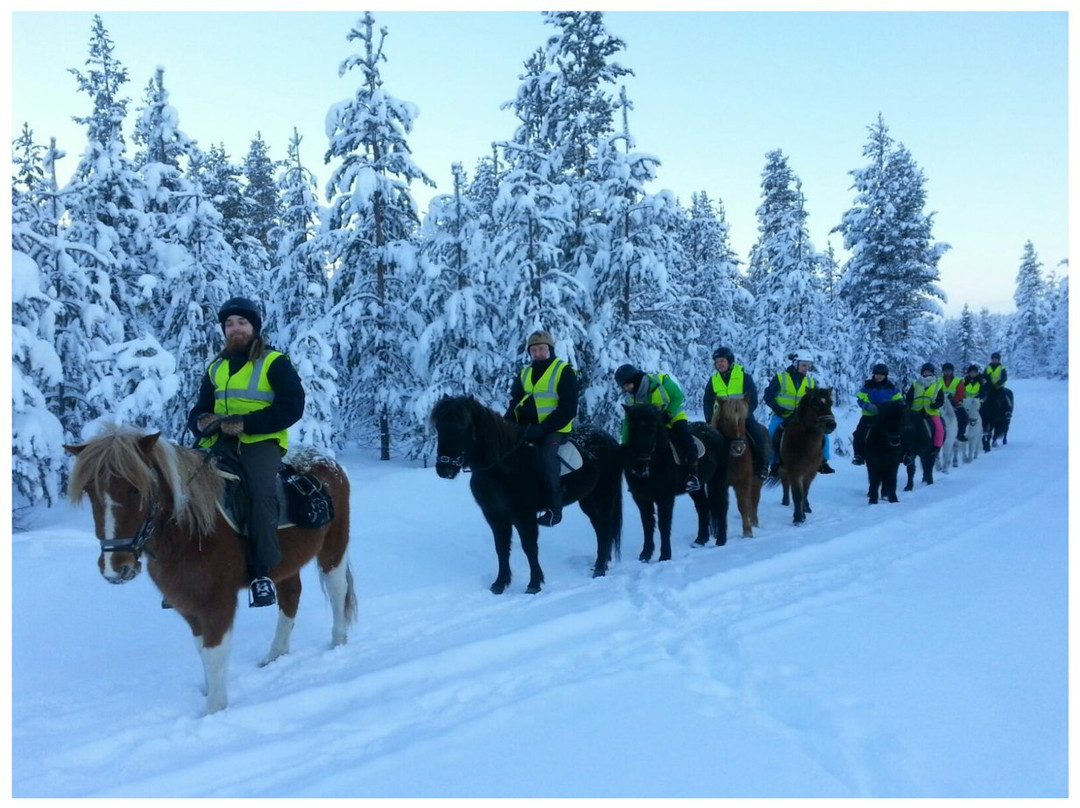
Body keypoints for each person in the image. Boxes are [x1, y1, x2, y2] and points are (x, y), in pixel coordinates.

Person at [187, 296, 305, 608]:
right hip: (216, 443)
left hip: (260, 442)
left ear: (254, 327)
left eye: (241, 323)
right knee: (182, 486)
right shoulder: (216, 368)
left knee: (259, 492)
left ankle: (261, 572)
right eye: (229, 324)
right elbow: (200, 408)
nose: (235, 329)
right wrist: (201, 421)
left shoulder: (274, 362)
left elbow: (292, 406)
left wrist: (247, 424)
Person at [505, 329, 578, 527]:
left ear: (550, 350)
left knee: (547, 456)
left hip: (555, 428)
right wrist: (506, 424)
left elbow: (569, 407)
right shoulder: (525, 373)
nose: (537, 353)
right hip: (526, 427)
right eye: (534, 350)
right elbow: (515, 401)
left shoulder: (563, 371)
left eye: (541, 349)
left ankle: (554, 509)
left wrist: (542, 428)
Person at [616, 364, 700, 492]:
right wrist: (625, 442)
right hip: (654, 425)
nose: (627, 389)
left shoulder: (661, 381)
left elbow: (678, 396)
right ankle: (642, 475)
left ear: (635, 379)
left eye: (628, 385)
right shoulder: (630, 397)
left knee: (684, 439)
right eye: (624, 387)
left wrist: (668, 414)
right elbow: (629, 420)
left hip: (674, 418)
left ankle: (692, 475)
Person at [763, 349, 835, 475]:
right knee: (772, 433)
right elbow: (768, 396)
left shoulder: (810, 381)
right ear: (795, 364)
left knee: (822, 432)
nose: (806, 368)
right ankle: (774, 464)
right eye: (803, 365)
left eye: (808, 365)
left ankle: (823, 461)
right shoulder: (781, 378)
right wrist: (778, 409)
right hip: (782, 415)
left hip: (802, 417)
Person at [702, 346, 769, 480]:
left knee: (758, 433)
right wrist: (710, 418)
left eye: (722, 361)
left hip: (741, 416)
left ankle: (762, 466)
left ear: (730, 361)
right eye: (717, 362)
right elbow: (707, 401)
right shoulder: (713, 379)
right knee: (707, 437)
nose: (719, 364)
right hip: (722, 417)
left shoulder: (743, 377)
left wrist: (746, 414)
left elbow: (753, 398)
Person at [850, 363, 903, 465]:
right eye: (877, 374)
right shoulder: (868, 386)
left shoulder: (890, 386)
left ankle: (902, 455)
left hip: (886, 418)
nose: (879, 376)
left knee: (899, 432)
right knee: (859, 433)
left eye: (881, 374)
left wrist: (889, 408)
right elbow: (860, 399)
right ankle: (859, 455)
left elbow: (899, 401)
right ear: (873, 374)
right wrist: (868, 406)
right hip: (869, 416)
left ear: (885, 375)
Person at [905, 362, 945, 454]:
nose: (926, 374)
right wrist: (909, 403)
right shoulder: (916, 384)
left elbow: (940, 399)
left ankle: (936, 447)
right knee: (904, 426)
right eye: (925, 372)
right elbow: (909, 396)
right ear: (922, 373)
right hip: (915, 411)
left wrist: (936, 405)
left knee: (939, 429)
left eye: (929, 372)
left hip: (931, 411)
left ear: (932, 373)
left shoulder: (938, 385)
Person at [939, 362, 969, 442]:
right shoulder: (938, 380)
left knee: (964, 417)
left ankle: (960, 434)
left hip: (955, 403)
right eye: (945, 370)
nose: (947, 372)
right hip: (941, 403)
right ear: (943, 371)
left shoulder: (958, 381)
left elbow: (960, 393)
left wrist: (952, 400)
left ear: (952, 371)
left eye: (949, 370)